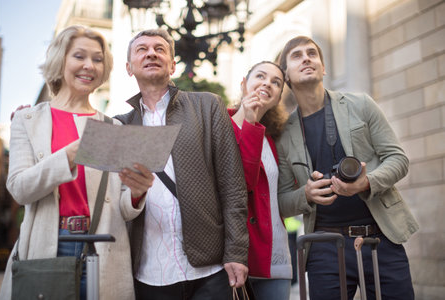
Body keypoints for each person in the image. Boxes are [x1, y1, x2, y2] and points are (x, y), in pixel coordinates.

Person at [0, 25, 154, 300]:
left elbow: (123, 209)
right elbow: (20, 190)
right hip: (48, 247)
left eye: (97, 58)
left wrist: (137, 192)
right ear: (61, 60)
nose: (89, 66)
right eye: (79, 56)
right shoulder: (28, 120)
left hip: (102, 250)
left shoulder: (112, 126)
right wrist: (69, 154)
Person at [276, 36, 419, 300]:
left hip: (381, 239)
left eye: (312, 53)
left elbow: (398, 159)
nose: (306, 58)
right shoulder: (283, 135)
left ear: (323, 67)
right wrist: (306, 195)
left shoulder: (361, 104)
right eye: (296, 55)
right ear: (285, 75)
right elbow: (282, 202)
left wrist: (366, 183)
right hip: (324, 248)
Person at [113, 28, 249, 300]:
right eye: (142, 49)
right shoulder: (120, 126)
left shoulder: (208, 106)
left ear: (173, 65)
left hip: (209, 270)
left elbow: (233, 186)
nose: (151, 52)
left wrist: (236, 252)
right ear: (129, 68)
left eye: (159, 49)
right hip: (148, 273)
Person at [228, 61, 292, 300]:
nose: (268, 83)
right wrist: (250, 123)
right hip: (241, 256)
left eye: (276, 82)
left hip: (276, 254)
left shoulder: (272, 139)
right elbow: (242, 183)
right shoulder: (222, 125)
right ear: (244, 84)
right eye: (261, 76)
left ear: (278, 98)